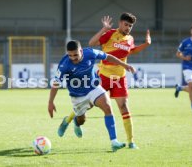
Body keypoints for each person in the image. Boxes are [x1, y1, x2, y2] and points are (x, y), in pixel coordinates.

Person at [58, 13, 151, 149]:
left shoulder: (130, 39)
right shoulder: (110, 34)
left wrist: (146, 44)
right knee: (87, 105)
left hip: (119, 77)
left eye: (130, 26)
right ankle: (69, 120)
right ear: (120, 23)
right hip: (103, 75)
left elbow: (133, 51)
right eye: (126, 24)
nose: (128, 28)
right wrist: (104, 29)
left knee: (124, 107)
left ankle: (131, 142)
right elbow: (92, 43)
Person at [48, 40, 135, 152]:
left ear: (81, 51)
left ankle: (114, 141)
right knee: (81, 120)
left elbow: (107, 56)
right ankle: (74, 122)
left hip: (93, 88)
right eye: (70, 55)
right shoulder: (64, 64)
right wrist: (51, 102)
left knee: (107, 107)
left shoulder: (90, 53)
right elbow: (56, 84)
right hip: (77, 95)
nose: (73, 58)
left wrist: (124, 65)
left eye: (76, 55)